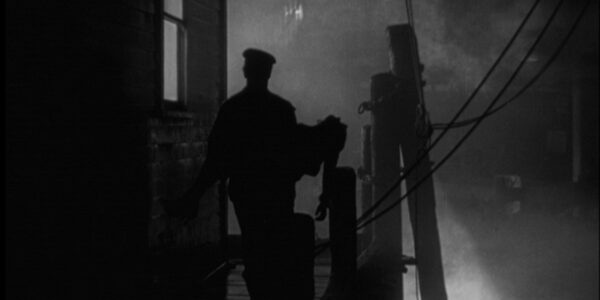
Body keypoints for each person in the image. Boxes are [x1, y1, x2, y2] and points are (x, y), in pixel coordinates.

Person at [163, 48, 346, 300]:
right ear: (268, 74)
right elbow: (292, 155)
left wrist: (195, 194)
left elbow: (216, 159)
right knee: (275, 251)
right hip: (278, 192)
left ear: (246, 71)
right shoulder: (282, 110)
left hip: (247, 194)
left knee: (254, 249)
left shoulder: (233, 108)